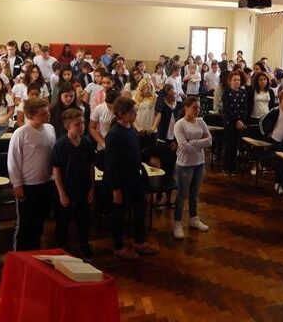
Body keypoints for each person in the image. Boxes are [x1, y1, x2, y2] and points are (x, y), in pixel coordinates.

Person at [106, 97, 159, 260]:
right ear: (122, 114)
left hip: (135, 177)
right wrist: (116, 189)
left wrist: (148, 159)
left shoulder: (131, 129)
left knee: (140, 209)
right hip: (121, 181)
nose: (136, 114)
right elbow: (111, 164)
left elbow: (136, 152)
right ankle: (118, 246)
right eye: (132, 112)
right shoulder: (114, 134)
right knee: (120, 215)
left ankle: (139, 242)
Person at [7, 98, 56, 251]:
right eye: (43, 114)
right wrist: (17, 184)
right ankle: (20, 255)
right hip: (28, 185)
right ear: (31, 116)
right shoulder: (20, 133)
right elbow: (13, 160)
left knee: (40, 220)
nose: (47, 115)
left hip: (46, 182)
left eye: (47, 112)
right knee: (25, 224)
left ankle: (34, 252)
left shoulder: (50, 128)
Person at [52, 108, 96, 261]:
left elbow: (91, 166)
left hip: (83, 187)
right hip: (67, 188)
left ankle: (84, 245)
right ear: (67, 126)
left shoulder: (87, 143)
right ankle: (61, 247)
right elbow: (56, 170)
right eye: (77, 124)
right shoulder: (60, 145)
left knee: (84, 219)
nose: (81, 126)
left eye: (83, 123)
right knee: (63, 220)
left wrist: (92, 187)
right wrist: (61, 193)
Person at [172, 96, 212, 239]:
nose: (197, 110)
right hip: (185, 164)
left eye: (199, 107)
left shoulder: (201, 122)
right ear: (186, 108)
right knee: (182, 195)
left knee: (195, 195)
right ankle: (177, 223)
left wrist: (193, 142)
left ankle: (194, 219)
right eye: (195, 107)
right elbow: (183, 147)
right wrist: (199, 143)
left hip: (199, 163)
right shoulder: (180, 124)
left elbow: (209, 141)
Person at [222, 71, 248, 175]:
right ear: (230, 81)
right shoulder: (226, 92)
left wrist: (242, 120)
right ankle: (226, 167)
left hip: (240, 123)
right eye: (235, 80)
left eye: (238, 80)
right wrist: (236, 120)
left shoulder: (243, 93)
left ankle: (233, 167)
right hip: (230, 122)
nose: (237, 82)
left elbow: (245, 108)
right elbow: (227, 109)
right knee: (229, 145)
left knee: (236, 146)